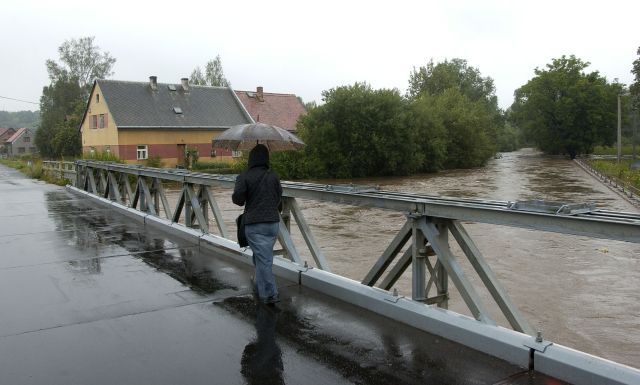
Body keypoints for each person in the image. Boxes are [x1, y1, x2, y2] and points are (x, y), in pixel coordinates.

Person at [232, 144, 283, 304]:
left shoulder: (245, 176)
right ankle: (260, 286)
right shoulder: (273, 176)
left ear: (251, 158)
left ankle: (269, 295)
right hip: (273, 224)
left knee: (264, 260)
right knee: (262, 257)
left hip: (254, 224)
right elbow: (278, 197)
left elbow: (238, 201)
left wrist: (239, 186)